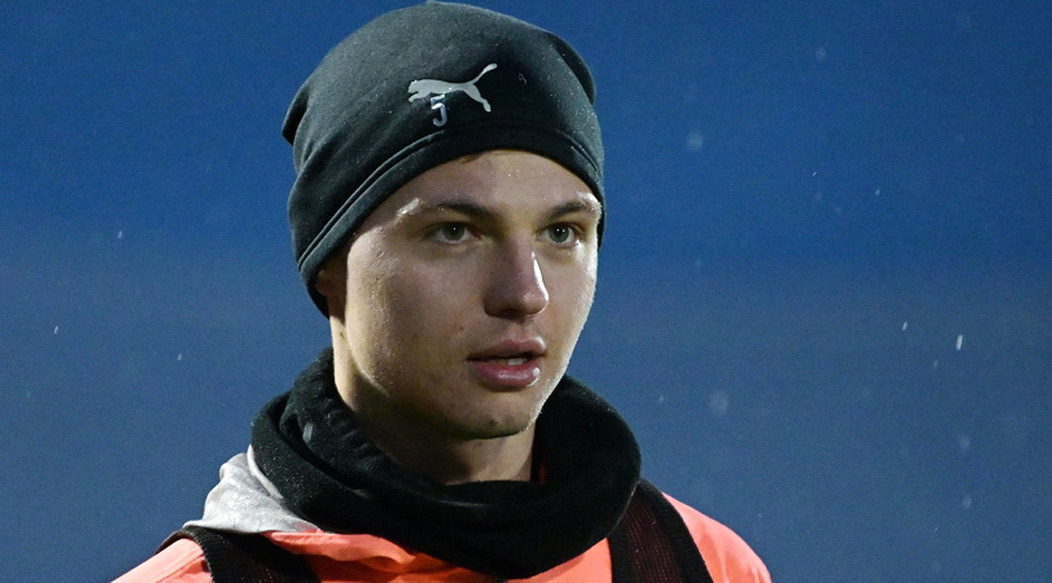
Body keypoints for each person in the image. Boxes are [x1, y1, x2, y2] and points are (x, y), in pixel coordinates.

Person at [114, 3, 770, 582]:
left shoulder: (707, 568)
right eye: (455, 232)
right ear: (328, 265)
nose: (525, 293)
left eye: (562, 233)